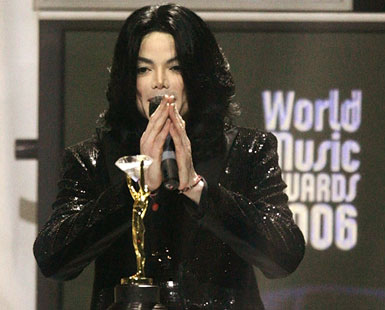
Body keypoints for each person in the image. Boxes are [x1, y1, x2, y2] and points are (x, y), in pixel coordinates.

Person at [34, 4, 305, 310]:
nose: (159, 81)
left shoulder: (247, 151)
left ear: (198, 75)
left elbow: (285, 255)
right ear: (129, 79)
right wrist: (135, 189)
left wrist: (198, 189)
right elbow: (52, 259)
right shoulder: (93, 158)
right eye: (143, 68)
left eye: (175, 67)